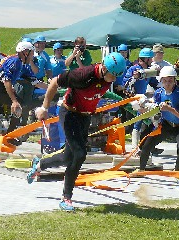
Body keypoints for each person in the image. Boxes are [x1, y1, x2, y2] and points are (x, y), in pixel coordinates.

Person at [26, 52, 126, 211]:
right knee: (79, 154)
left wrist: (135, 101)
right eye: (113, 75)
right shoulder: (82, 75)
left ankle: (40, 165)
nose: (114, 79)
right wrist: (44, 108)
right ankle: (66, 198)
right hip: (70, 114)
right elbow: (54, 82)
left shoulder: (107, 76)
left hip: (85, 117)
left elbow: (106, 91)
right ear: (105, 68)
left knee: (67, 156)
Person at [130, 66, 179, 185]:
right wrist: (141, 108)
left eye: (170, 80)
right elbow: (153, 110)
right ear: (161, 81)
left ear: (175, 80)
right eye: (165, 80)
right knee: (146, 143)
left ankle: (177, 173)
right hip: (166, 124)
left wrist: (170, 109)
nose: (167, 83)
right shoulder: (158, 93)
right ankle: (141, 169)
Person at [123, 48, 158, 149]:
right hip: (133, 99)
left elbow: (155, 84)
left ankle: (147, 145)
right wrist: (134, 78)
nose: (152, 61)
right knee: (139, 121)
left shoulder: (148, 72)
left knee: (153, 120)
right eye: (150, 59)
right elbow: (125, 85)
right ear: (145, 59)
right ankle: (136, 147)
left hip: (143, 99)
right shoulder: (133, 69)